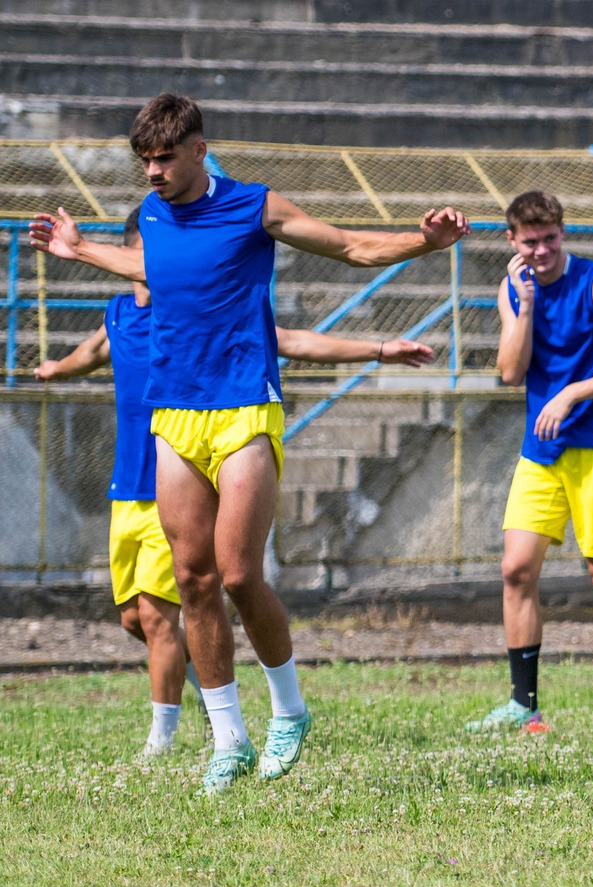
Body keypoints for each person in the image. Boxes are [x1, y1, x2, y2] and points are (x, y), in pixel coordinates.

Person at [30, 93, 469, 795]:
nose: (152, 173)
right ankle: (229, 737)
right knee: (194, 579)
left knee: (238, 574)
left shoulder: (254, 206)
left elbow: (351, 247)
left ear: (200, 150)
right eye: (144, 162)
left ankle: (290, 710)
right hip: (174, 415)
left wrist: (425, 242)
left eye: (164, 158)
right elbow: (149, 269)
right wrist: (78, 249)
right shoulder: (149, 216)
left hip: (243, 408)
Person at [468, 190, 593, 735]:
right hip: (541, 451)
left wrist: (573, 393)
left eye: (551, 238)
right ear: (512, 242)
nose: (543, 250)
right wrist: (523, 305)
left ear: (562, 233)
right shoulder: (511, 288)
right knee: (515, 569)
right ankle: (525, 707)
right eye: (531, 242)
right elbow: (510, 370)